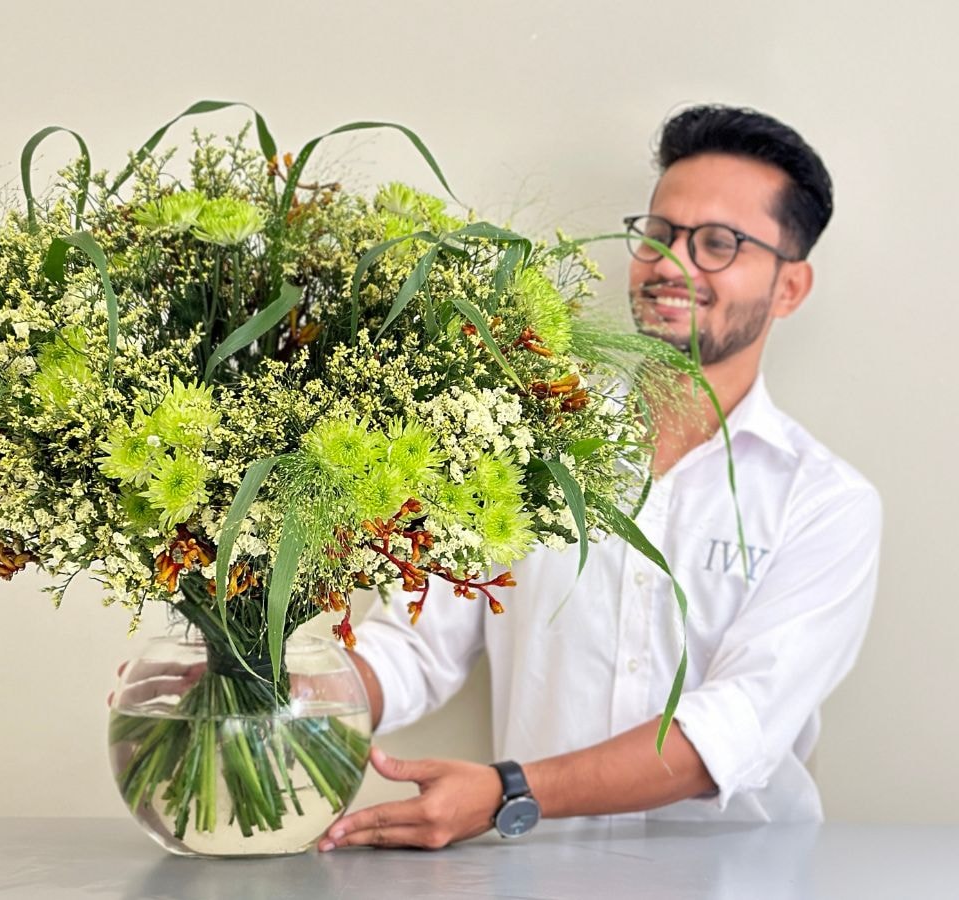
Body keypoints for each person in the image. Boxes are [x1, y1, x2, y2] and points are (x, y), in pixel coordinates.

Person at [317, 105, 883, 852]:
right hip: (535, 874)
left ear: (790, 288)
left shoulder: (824, 504)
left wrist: (508, 793)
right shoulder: (524, 440)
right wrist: (285, 694)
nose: (671, 264)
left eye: (719, 244)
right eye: (659, 234)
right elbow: (418, 645)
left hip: (737, 881)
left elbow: (730, 728)